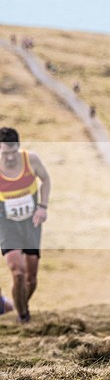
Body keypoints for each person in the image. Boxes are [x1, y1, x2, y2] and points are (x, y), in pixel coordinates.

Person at [0, 127, 50, 323]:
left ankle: (22, 306)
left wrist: (42, 207)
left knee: (31, 279)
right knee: (18, 272)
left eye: (13, 153)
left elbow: (46, 179)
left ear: (19, 147)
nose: (10, 158)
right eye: (5, 153)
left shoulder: (32, 160)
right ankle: (23, 317)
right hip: (6, 221)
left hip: (31, 222)